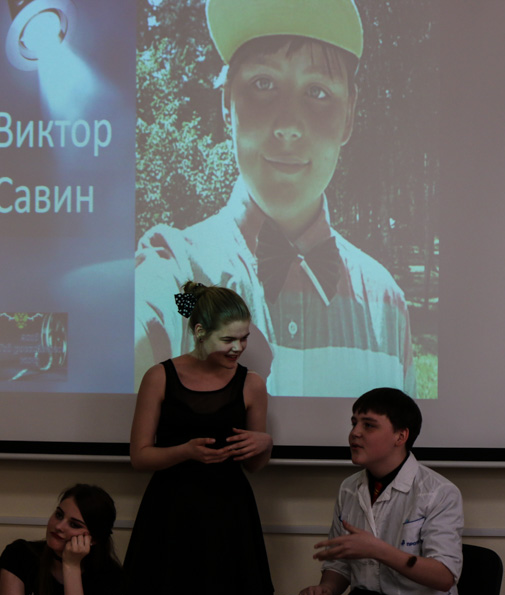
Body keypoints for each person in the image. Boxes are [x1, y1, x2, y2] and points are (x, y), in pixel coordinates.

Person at [134, 0, 415, 399]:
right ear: (227, 104)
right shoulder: (178, 273)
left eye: (317, 91)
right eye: (263, 84)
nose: (288, 125)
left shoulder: (389, 307)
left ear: (349, 116)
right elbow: (146, 321)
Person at [122, 281, 275, 595]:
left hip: (230, 513)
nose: (238, 348)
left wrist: (264, 444)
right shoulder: (159, 377)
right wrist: (185, 451)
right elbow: (140, 456)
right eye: (228, 339)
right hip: (170, 511)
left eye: (244, 338)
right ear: (201, 333)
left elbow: (253, 466)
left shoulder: (252, 384)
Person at [295, 388, 463, 595]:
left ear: (400, 436)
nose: (355, 433)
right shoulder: (349, 488)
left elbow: (444, 576)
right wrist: (326, 588)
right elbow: (340, 564)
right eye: (354, 423)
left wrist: (377, 550)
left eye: (368, 425)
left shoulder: (439, 492)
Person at [0, 483, 122, 595]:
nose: (59, 526)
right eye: (59, 515)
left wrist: (71, 566)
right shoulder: (19, 554)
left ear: (93, 539)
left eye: (74, 525)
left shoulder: (110, 577)